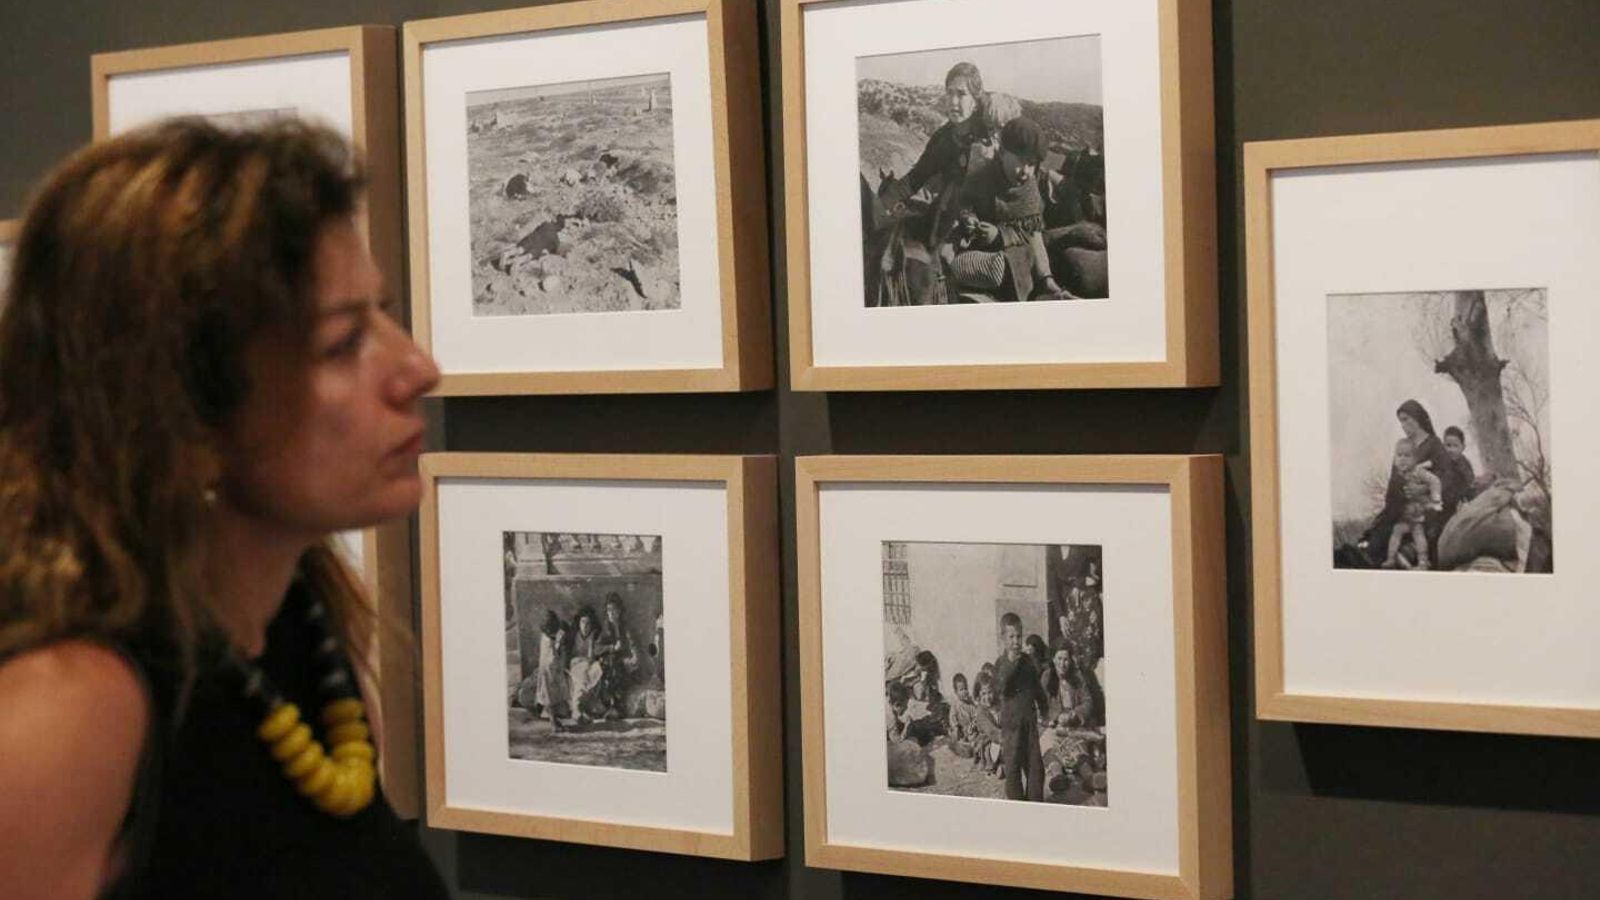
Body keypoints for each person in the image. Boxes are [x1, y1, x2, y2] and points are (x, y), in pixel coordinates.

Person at [0, 118, 447, 898]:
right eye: (344, 342)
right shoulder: (70, 707)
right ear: (183, 409)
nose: (417, 367)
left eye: (385, 313)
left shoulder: (302, 628)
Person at [946, 117, 1074, 302]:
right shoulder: (981, 178)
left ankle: (1043, 288)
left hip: (1018, 251)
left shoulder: (1029, 191)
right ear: (1002, 153)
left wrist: (1000, 236)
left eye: (1031, 164)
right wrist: (969, 217)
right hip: (978, 247)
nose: (1026, 171)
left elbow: (1033, 235)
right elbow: (964, 203)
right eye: (1021, 162)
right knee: (953, 258)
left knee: (1019, 259)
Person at [1359, 399, 1451, 564]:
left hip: (1425, 508)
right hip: (1398, 509)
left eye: (1406, 419)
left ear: (1418, 418)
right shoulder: (1403, 448)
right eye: (1400, 421)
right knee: (1376, 539)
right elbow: (1393, 483)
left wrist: (1423, 490)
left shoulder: (1434, 445)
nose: (1403, 425)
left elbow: (1446, 476)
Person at [994, 612, 1048, 801]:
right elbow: (1000, 686)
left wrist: (1044, 709)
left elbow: (1037, 688)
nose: (1016, 642)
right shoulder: (1001, 664)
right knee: (1013, 770)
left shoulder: (1028, 662)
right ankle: (1017, 807)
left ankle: (1035, 805)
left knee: (1036, 769)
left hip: (1029, 725)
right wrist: (1011, 663)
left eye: (1019, 636)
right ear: (1003, 638)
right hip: (1011, 727)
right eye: (1011, 637)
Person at [1382, 438, 1443, 569]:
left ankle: (1423, 561)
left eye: (1407, 456)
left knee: (1418, 535)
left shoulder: (1418, 472)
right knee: (1396, 532)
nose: (1402, 459)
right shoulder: (1397, 475)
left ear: (1415, 459)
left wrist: (1435, 497)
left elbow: (1435, 481)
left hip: (1416, 512)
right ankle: (1391, 558)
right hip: (1403, 515)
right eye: (1399, 455)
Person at [1438, 425, 1478, 519]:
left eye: (1455, 446)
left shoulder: (1464, 464)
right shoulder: (1441, 462)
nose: (1451, 450)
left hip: (1461, 501)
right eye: (1448, 445)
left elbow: (1470, 483)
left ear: (1463, 447)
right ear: (1443, 446)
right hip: (1444, 503)